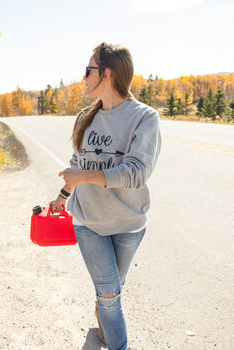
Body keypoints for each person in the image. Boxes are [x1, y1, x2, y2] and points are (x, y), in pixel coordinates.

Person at [50, 42, 161, 350]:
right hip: (89, 223)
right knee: (110, 295)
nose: (84, 77)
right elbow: (78, 164)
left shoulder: (144, 117)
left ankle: (102, 310)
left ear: (107, 73)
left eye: (89, 70)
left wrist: (85, 177)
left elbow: (136, 172)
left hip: (128, 224)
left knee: (113, 289)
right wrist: (63, 195)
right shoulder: (85, 117)